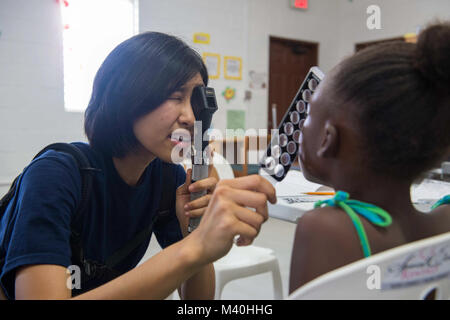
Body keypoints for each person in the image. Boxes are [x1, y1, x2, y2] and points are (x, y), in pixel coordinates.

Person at [0, 32, 276, 300]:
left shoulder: (168, 178)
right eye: (176, 96)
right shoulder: (56, 175)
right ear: (128, 97)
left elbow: (198, 300)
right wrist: (193, 248)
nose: (191, 117)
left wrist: (193, 230)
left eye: (194, 101)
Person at [289, 22, 450, 293]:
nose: (302, 126)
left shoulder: (324, 229)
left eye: (308, 115)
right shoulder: (444, 219)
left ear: (328, 139)